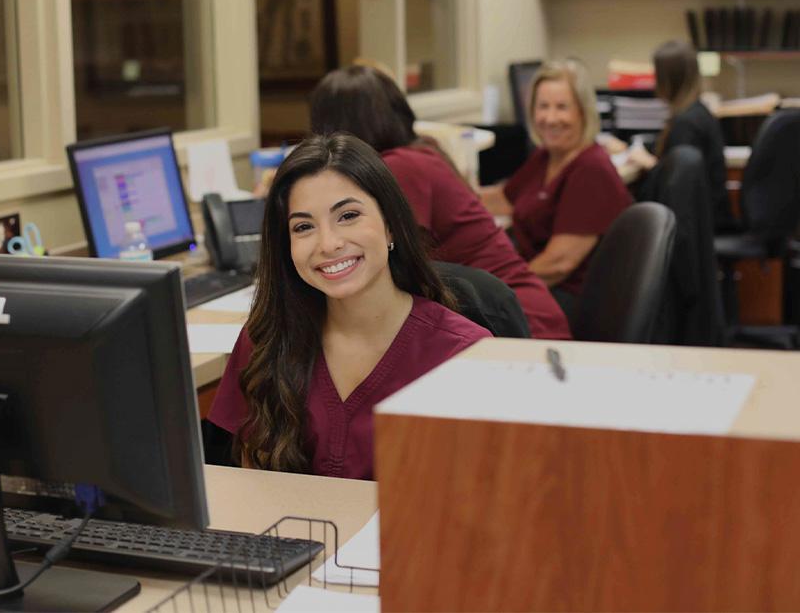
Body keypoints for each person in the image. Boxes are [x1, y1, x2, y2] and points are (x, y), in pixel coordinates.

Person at [207, 134, 491, 480]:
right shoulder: (265, 340)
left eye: (348, 215)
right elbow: (254, 488)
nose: (329, 243)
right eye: (304, 226)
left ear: (390, 225)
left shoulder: (463, 355)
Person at [309, 64, 571, 340]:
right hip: (505, 315)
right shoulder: (421, 150)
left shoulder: (401, 167)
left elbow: (396, 266)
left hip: (516, 327)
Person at [484, 59, 632, 324]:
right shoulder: (547, 157)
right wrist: (449, 192)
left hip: (570, 302)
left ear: (582, 112)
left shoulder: (590, 169)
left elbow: (558, 264)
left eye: (562, 107)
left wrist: (499, 291)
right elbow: (504, 200)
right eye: (543, 107)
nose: (550, 118)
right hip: (542, 288)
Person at [629, 40, 731, 231]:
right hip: (709, 216)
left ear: (667, 79)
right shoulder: (698, 113)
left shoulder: (687, 124)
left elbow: (679, 181)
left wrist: (650, 164)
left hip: (701, 224)